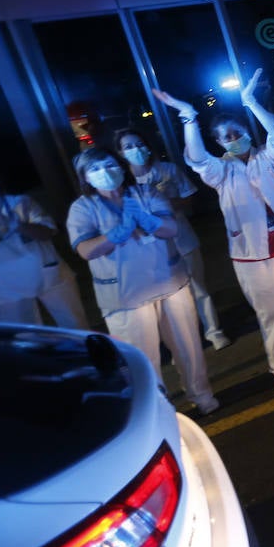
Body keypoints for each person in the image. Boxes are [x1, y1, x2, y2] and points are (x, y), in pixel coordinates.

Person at [154, 70, 274, 397]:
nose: (233, 139)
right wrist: (188, 117)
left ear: (246, 131)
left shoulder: (267, 156)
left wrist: (250, 102)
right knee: (269, 312)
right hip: (252, 253)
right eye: (225, 137)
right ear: (219, 144)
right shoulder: (220, 171)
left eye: (237, 133)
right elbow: (197, 158)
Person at [66, 148, 219, 415]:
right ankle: (159, 411)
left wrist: (147, 221)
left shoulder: (145, 192)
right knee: (142, 360)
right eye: (95, 169)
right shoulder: (82, 208)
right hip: (126, 298)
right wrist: (119, 232)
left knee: (188, 348)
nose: (105, 172)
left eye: (110, 164)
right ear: (85, 177)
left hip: (170, 284)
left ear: (121, 167)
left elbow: (170, 228)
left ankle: (202, 396)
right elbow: (86, 250)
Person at [115, 129, 230, 350]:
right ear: (120, 153)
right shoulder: (122, 184)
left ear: (147, 146)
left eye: (139, 144)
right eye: (128, 147)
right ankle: (186, 339)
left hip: (181, 238)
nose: (135, 150)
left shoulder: (167, 170)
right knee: (166, 296)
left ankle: (214, 332)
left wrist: (163, 205)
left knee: (198, 287)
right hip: (148, 248)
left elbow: (189, 198)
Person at [0, 166, 87, 329]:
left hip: (49, 276)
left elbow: (48, 231)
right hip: (4, 290)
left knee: (75, 325)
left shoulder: (21, 202)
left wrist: (17, 225)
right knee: (24, 337)